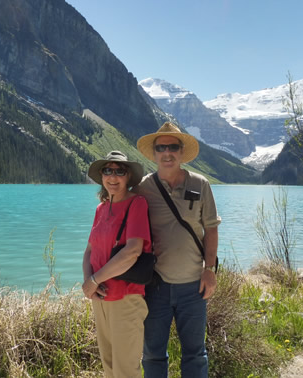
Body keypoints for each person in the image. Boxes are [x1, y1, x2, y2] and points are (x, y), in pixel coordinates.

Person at [134, 122, 221, 377]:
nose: (167, 152)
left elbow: (212, 229)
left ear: (181, 152)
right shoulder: (142, 188)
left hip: (194, 286)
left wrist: (210, 270)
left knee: (195, 354)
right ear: (154, 153)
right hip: (155, 286)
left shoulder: (201, 184)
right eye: (161, 147)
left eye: (173, 147)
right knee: (152, 354)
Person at [81, 150, 152, 378]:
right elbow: (89, 251)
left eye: (119, 171)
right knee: (109, 365)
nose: (113, 177)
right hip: (100, 297)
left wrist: (94, 280)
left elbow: (133, 251)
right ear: (102, 176)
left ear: (128, 176)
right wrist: (88, 284)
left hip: (126, 298)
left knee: (126, 369)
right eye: (108, 171)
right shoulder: (101, 209)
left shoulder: (136, 204)